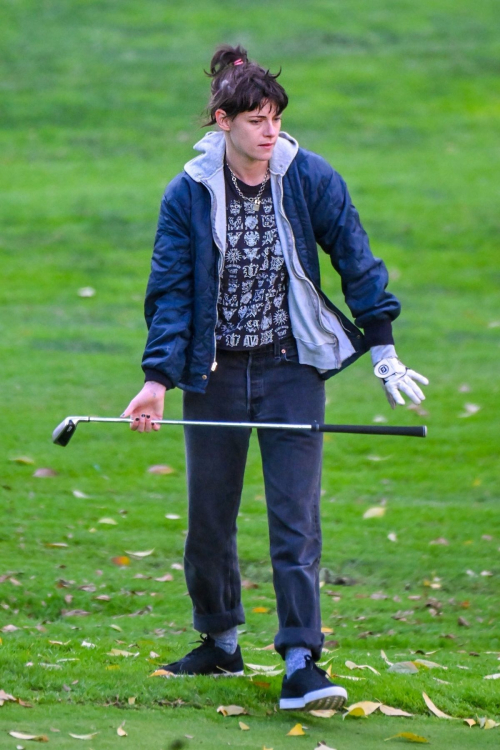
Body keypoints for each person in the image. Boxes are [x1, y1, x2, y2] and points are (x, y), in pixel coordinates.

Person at [122, 44, 428, 711]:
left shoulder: (309, 177)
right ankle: (220, 641)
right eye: (256, 119)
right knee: (209, 521)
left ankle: (300, 659)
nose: (271, 131)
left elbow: (355, 254)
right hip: (215, 375)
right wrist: (157, 379)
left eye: (276, 118)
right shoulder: (189, 193)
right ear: (222, 121)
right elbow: (170, 292)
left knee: (296, 521)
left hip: (293, 371)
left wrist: (384, 350)